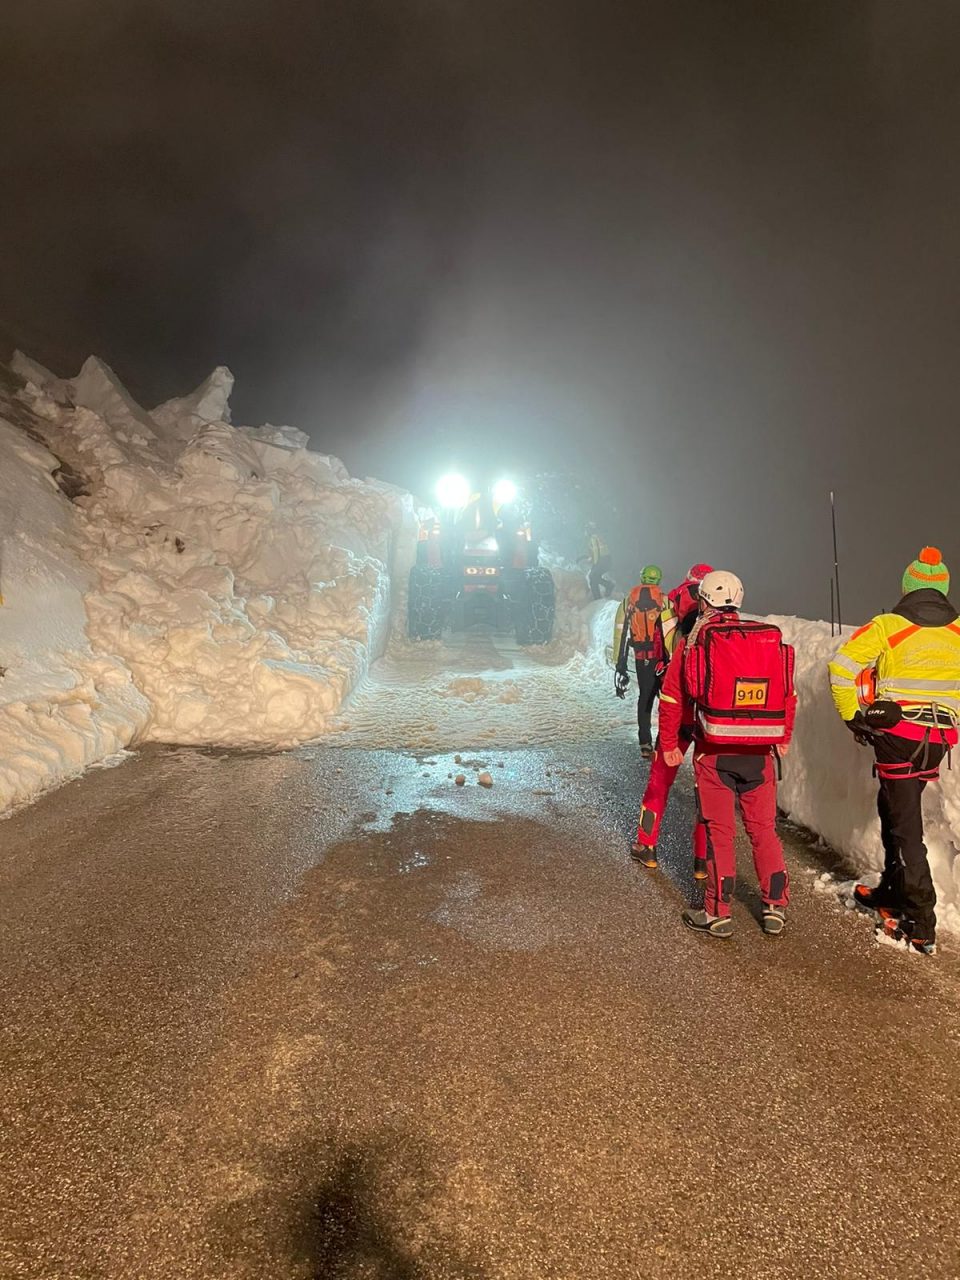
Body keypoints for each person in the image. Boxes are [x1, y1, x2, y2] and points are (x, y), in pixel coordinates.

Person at [827, 547, 960, 955]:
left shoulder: (888, 626)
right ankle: (891, 888)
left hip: (897, 736)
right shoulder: (957, 631)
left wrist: (853, 716)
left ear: (908, 587)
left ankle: (921, 922)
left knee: (905, 828)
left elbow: (841, 667)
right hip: (938, 741)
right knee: (893, 808)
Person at [657, 570, 796, 938]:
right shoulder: (764, 639)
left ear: (703, 601)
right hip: (760, 753)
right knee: (764, 830)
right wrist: (783, 735)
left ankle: (717, 912)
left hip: (714, 753)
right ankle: (775, 906)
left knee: (720, 831)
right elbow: (787, 693)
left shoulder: (695, 642)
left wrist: (670, 744)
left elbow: (673, 698)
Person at [629, 561, 714, 873]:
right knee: (707, 789)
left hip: (678, 709)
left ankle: (647, 844)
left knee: (659, 781)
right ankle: (702, 860)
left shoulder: (671, 607)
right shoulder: (724, 620)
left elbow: (666, 651)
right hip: (710, 716)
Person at [613, 565, 670, 756]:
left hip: (641, 657)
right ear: (659, 580)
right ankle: (664, 742)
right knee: (666, 699)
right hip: (661, 658)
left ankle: (645, 742)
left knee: (645, 697)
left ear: (642, 578)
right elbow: (672, 632)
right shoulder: (664, 601)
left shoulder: (629, 601)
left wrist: (618, 661)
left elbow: (619, 630)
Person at [580, 522, 615, 600]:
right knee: (594, 577)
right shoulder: (597, 537)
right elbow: (595, 553)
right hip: (606, 560)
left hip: (603, 560)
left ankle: (605, 590)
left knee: (592, 576)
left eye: (586, 530)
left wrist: (595, 564)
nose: (585, 532)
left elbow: (596, 552)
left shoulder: (593, 538)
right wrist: (589, 559)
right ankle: (600, 595)